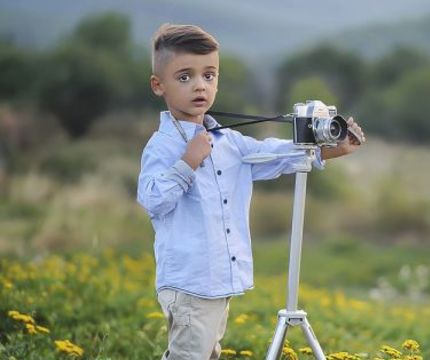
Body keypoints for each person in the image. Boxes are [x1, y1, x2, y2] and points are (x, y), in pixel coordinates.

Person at [136, 23, 365, 359]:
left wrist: (331, 148)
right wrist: (188, 162)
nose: (200, 85)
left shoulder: (229, 142)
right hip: (189, 281)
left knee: (208, 354)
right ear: (159, 85)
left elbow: (272, 154)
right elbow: (152, 200)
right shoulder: (163, 146)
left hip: (218, 280)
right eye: (184, 77)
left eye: (209, 75)